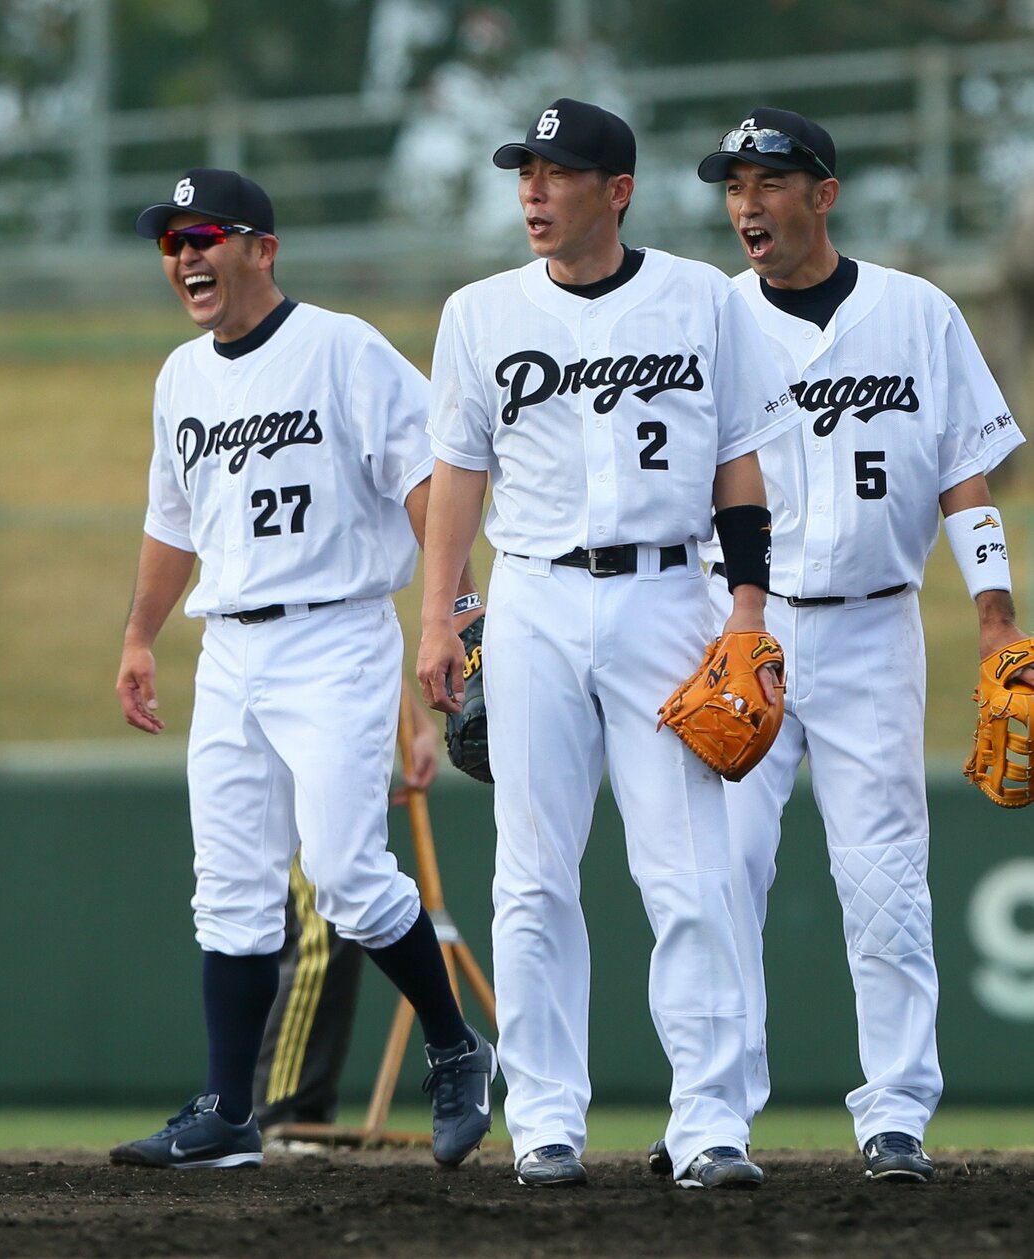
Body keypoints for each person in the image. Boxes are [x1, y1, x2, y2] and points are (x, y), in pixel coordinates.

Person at [416, 98, 801, 1190]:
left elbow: (738, 463)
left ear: (616, 190)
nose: (533, 191)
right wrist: (440, 612)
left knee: (691, 872)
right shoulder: (479, 312)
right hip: (532, 597)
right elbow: (457, 470)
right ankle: (544, 1118)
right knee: (532, 878)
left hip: (670, 595)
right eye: (524, 172)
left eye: (558, 172)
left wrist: (748, 609)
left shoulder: (700, 302)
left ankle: (711, 1120)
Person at [654, 106, 1028, 1182]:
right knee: (723, 877)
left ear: (822, 192)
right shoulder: (709, 318)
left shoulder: (917, 313)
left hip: (874, 623)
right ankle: (710, 1119)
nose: (746, 204)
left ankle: (897, 1113)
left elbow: (967, 469)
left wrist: (995, 609)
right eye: (733, 185)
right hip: (744, 631)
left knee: (886, 879)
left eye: (767, 181)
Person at [111, 166, 494, 1170]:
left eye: (206, 236)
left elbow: (429, 486)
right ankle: (228, 1108)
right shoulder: (181, 375)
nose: (187, 256)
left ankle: (456, 1048)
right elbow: (171, 523)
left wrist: (448, 615)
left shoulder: (344, 350)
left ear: (262, 248)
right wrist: (140, 635)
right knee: (231, 888)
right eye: (172, 242)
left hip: (334, 634)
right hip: (230, 644)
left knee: (345, 871)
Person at [255, 693, 445, 1136]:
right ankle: (281, 1111)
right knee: (316, 929)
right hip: (279, 738)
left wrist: (414, 717)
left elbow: (360, 624)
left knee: (335, 919)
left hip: (326, 727)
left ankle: (300, 1112)